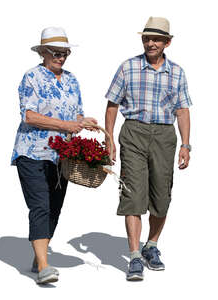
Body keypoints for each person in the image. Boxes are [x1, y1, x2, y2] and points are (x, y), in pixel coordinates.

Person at [105, 17, 192, 281]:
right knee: (132, 193)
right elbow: (112, 105)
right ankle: (133, 256)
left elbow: (182, 110)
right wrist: (109, 139)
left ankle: (151, 245)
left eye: (156, 39)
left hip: (165, 136)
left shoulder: (177, 72)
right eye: (146, 38)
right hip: (134, 132)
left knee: (161, 196)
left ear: (168, 42)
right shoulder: (128, 67)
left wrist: (186, 144)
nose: (150, 43)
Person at [11, 27, 97, 284]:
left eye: (65, 53)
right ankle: (44, 267)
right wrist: (65, 126)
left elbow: (75, 115)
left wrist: (84, 121)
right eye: (56, 53)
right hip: (32, 152)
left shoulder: (71, 80)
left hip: (61, 156)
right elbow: (29, 116)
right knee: (40, 205)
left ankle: (39, 257)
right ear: (43, 53)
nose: (61, 57)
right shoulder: (32, 78)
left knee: (55, 208)